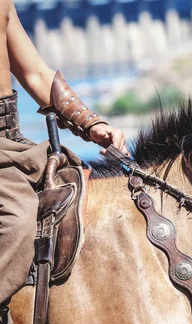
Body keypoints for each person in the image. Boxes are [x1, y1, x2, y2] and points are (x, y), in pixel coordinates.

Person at [0, 0, 129, 305]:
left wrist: (91, 123)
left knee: (80, 183)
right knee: (17, 221)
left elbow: (34, 74)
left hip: (10, 142)